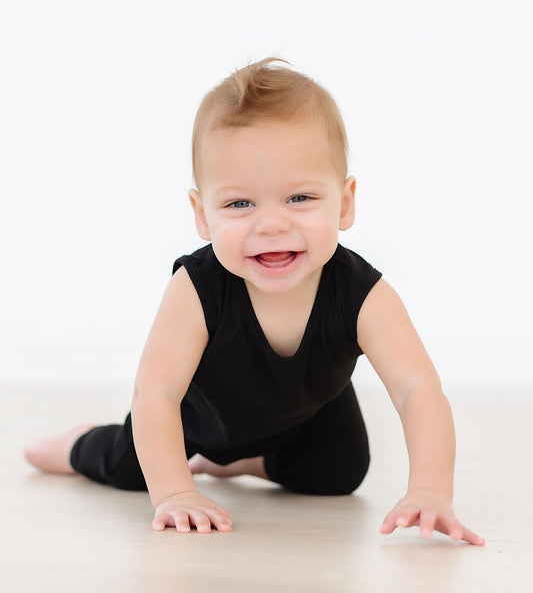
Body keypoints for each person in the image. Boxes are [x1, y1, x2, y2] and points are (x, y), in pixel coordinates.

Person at [24, 56, 485, 545]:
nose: (271, 224)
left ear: (345, 203)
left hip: (310, 415)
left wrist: (430, 490)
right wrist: (176, 492)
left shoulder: (364, 295)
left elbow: (417, 389)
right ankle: (76, 444)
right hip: (198, 421)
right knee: (130, 465)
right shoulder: (197, 288)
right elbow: (156, 393)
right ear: (203, 216)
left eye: (300, 198)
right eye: (239, 203)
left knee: (339, 474)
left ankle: (244, 463)